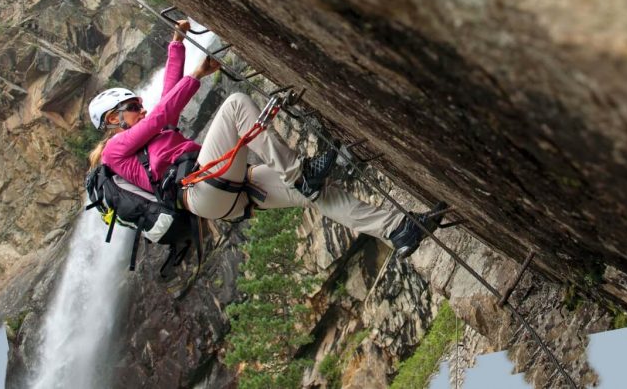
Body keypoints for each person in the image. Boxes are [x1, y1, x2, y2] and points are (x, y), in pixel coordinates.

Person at [87, 21, 436, 258]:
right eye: (132, 107)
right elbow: (164, 112)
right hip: (199, 190)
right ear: (113, 121)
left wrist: (176, 45)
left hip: (223, 194)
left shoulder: (148, 136)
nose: (141, 107)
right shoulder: (117, 149)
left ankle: (399, 230)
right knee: (237, 105)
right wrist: (195, 74)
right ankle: (299, 173)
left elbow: (165, 101)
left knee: (317, 197)